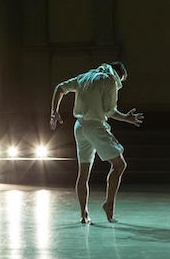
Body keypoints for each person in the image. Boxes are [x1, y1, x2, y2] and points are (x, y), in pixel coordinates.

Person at [49, 62, 143, 223]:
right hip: (95, 126)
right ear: (119, 75)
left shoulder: (83, 77)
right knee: (120, 165)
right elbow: (110, 110)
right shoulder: (110, 80)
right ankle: (109, 204)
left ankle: (83, 214)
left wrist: (54, 112)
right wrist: (126, 118)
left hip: (79, 126)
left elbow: (60, 88)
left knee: (83, 174)